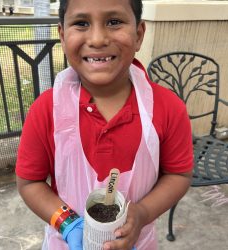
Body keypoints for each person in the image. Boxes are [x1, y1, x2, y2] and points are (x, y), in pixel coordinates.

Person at [16, 0, 193, 249]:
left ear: (139, 34)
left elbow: (178, 174)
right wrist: (69, 225)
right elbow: (29, 183)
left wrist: (142, 213)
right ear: (63, 36)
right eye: (81, 23)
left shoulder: (168, 109)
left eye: (114, 22)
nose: (98, 39)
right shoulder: (46, 110)